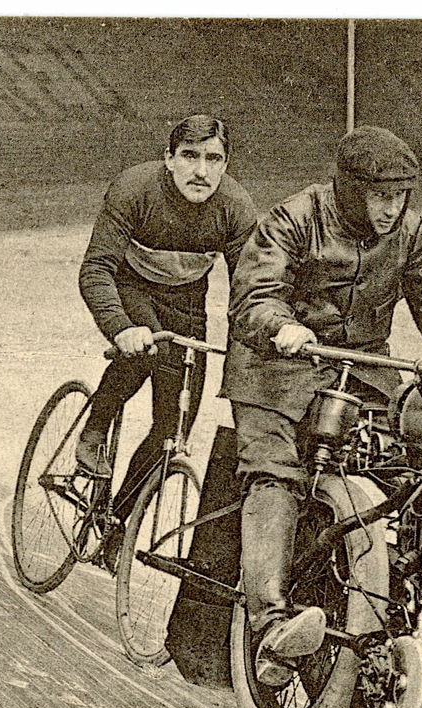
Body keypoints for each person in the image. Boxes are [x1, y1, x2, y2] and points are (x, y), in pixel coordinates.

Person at [223, 125, 422, 685]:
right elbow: (254, 296)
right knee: (275, 475)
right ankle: (271, 628)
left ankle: (411, 605)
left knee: (421, 463)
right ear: (352, 188)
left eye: (401, 195)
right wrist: (282, 326)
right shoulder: (295, 218)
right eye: (381, 195)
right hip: (274, 369)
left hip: (362, 369)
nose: (391, 208)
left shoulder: (410, 233)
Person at [75, 114, 257, 554]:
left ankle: (116, 525)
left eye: (214, 159)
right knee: (143, 351)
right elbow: (95, 268)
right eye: (190, 156)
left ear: (226, 164)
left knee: (174, 428)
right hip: (131, 286)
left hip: (186, 301)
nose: (202, 171)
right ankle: (94, 429)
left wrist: (251, 348)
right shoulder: (134, 189)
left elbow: (252, 290)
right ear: (169, 159)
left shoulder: (235, 207)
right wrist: (120, 328)